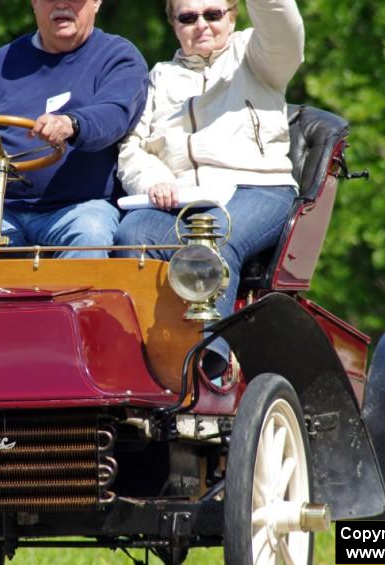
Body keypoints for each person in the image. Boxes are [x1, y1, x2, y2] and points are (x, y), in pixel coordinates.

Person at [115, 0, 304, 373]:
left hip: (258, 188)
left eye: (213, 14)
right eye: (188, 17)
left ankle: (210, 368)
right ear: (174, 26)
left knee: (214, 237)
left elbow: (284, 28)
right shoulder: (159, 77)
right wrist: (156, 179)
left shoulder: (257, 55)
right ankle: (143, 363)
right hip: (184, 199)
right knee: (131, 235)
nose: (201, 25)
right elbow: (131, 149)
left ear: (232, 17)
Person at [0, 0, 148, 261]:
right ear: (34, 3)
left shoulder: (118, 57)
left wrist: (71, 124)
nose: (62, 5)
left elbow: (114, 114)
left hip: (79, 208)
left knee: (90, 233)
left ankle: (78, 303)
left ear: (96, 2)